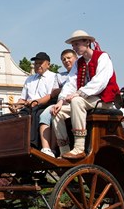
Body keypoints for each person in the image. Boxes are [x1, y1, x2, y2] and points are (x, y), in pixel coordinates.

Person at [50, 30, 120, 160]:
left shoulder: (103, 57)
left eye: (77, 44)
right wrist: (60, 101)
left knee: (77, 101)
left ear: (87, 42)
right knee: (56, 111)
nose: (74, 48)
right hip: (87, 100)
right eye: (73, 45)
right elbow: (70, 83)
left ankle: (79, 148)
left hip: (104, 100)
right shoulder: (79, 62)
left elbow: (100, 82)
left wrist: (78, 93)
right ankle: (64, 151)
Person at [38, 48, 77, 155]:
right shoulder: (60, 75)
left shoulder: (81, 72)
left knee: (56, 113)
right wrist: (64, 89)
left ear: (76, 58)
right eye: (63, 59)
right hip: (61, 103)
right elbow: (54, 92)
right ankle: (47, 149)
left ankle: (56, 149)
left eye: (69, 58)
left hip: (75, 102)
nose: (66, 61)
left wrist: (64, 89)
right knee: (45, 114)